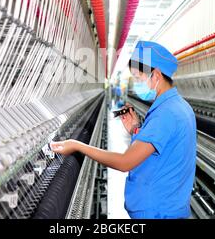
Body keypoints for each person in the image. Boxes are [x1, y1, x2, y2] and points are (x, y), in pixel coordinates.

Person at [50, 41, 197, 219]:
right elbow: (160, 150)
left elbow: (125, 162)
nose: (135, 83)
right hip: (167, 207)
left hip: (159, 213)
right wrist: (136, 130)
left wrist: (78, 146)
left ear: (156, 75)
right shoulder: (179, 106)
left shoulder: (166, 114)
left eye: (138, 77)